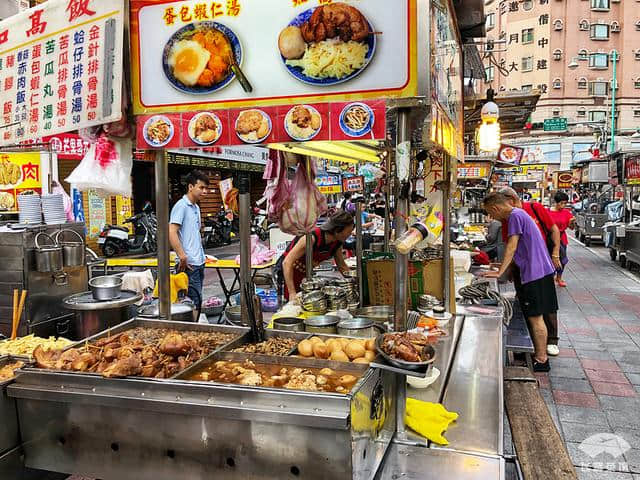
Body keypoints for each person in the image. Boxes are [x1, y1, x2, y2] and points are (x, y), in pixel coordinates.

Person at [483, 193, 558, 372]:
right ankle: (539, 355)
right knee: (534, 316)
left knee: (535, 317)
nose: (492, 218)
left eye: (490, 213)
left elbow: (512, 245)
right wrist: (502, 267)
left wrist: (500, 272)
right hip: (538, 271)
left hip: (534, 274)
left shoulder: (515, 216)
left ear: (496, 208)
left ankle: (541, 359)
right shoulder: (519, 214)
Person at [499, 186, 562, 357]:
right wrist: (510, 269)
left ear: (510, 200)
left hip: (538, 264)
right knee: (527, 306)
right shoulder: (509, 217)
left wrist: (555, 253)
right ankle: (530, 343)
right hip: (523, 267)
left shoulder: (531, 209)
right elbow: (509, 245)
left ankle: (551, 342)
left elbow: (553, 229)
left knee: (544, 308)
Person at [280, 211, 354, 301]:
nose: (351, 234)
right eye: (349, 231)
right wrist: (292, 293)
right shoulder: (312, 238)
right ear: (337, 230)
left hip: (304, 275)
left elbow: (342, 266)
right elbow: (287, 262)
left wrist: (353, 283)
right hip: (288, 274)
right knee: (291, 304)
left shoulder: (337, 242)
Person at [169, 170, 209, 319]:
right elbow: (171, 231)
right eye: (201, 188)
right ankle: (191, 331)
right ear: (191, 186)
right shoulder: (182, 206)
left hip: (199, 261)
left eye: (206, 188)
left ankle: (194, 329)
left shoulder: (196, 208)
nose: (204, 191)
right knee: (192, 301)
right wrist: (182, 256)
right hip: (189, 263)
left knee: (197, 299)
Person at [547, 191, 574, 287]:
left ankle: (559, 277)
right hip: (550, 238)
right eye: (561, 203)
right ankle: (550, 276)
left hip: (562, 238)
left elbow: (571, 228)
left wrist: (572, 222)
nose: (563, 205)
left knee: (563, 259)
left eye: (565, 203)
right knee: (550, 258)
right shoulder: (548, 212)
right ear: (556, 202)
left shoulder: (566, 213)